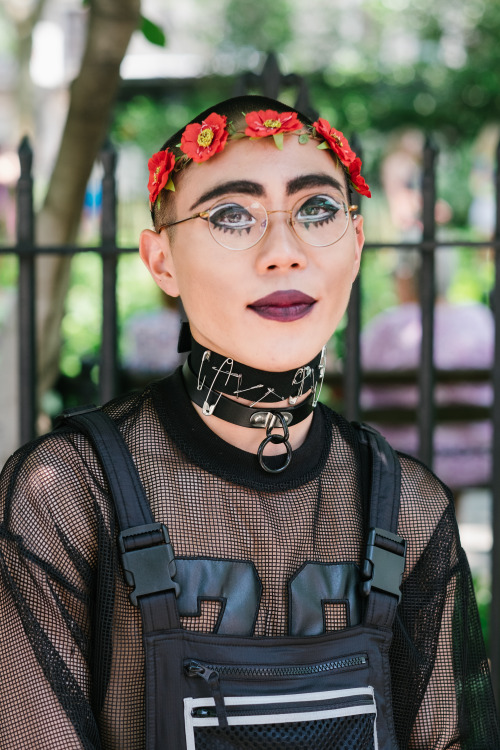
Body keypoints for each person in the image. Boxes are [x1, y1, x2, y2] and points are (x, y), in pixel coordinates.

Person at [0, 95, 498, 749]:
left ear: (357, 242)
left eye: (317, 210)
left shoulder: (406, 502)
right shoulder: (68, 491)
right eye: (232, 216)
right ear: (161, 262)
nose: (283, 252)